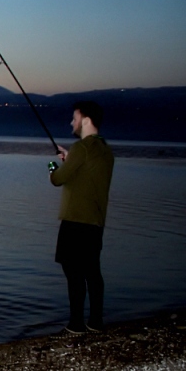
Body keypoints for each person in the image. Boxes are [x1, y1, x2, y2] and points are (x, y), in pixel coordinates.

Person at [49, 100, 115, 335]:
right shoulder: (105, 150)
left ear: (86, 120)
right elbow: (86, 175)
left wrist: (52, 166)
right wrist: (70, 160)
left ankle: (76, 323)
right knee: (92, 272)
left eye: (75, 118)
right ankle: (96, 321)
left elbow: (57, 179)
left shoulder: (81, 148)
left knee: (73, 272)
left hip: (75, 221)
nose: (72, 122)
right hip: (95, 222)